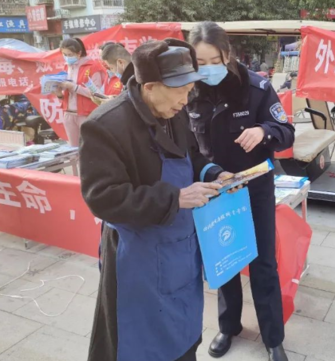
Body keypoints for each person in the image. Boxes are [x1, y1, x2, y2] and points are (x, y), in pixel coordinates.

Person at [80, 39, 230, 361]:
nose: (185, 100)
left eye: (189, 90)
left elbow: (191, 155)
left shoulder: (174, 112)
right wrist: (175, 198)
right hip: (138, 257)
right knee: (139, 346)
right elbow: (102, 198)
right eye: (180, 91)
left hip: (180, 250)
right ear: (149, 86)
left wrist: (213, 173)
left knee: (184, 338)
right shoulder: (105, 125)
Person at [186, 22, 295, 361]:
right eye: (200, 63)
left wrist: (264, 131)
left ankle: (273, 337)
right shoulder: (189, 90)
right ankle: (228, 326)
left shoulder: (256, 88)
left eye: (214, 60)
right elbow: (188, 145)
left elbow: (286, 131)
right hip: (215, 188)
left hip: (254, 187)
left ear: (227, 54)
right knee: (224, 260)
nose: (207, 69)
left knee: (263, 263)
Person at [56, 38, 107, 146]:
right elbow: (65, 93)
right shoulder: (66, 66)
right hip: (69, 113)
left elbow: (97, 94)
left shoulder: (92, 66)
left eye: (70, 55)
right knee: (73, 149)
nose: (67, 57)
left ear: (79, 53)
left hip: (86, 114)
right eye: (64, 54)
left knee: (89, 147)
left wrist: (74, 87)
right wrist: (59, 94)